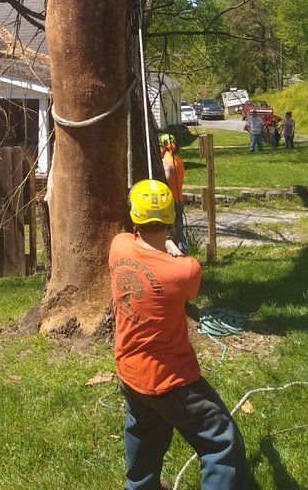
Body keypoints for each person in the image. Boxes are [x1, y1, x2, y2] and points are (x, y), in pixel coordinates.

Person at [109, 180, 247, 490]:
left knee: (144, 429)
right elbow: (188, 292)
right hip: (170, 378)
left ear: (134, 216)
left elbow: (139, 247)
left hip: (130, 368)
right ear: (172, 217)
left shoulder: (118, 245)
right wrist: (172, 249)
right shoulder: (186, 270)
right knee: (220, 442)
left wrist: (164, 246)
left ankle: (140, 485)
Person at [160, 134, 187, 253]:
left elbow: (168, 174)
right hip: (179, 199)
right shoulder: (178, 159)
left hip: (171, 201)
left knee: (169, 233)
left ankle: (179, 255)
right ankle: (185, 253)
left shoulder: (166, 160)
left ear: (163, 147)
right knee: (180, 230)